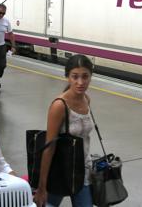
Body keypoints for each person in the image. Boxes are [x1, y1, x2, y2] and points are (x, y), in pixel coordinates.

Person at [34, 54, 95, 207]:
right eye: (75, 77)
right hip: (60, 172)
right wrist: (42, 187)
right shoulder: (59, 105)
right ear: (67, 77)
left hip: (82, 171)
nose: (80, 82)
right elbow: (49, 147)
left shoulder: (86, 99)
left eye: (85, 77)